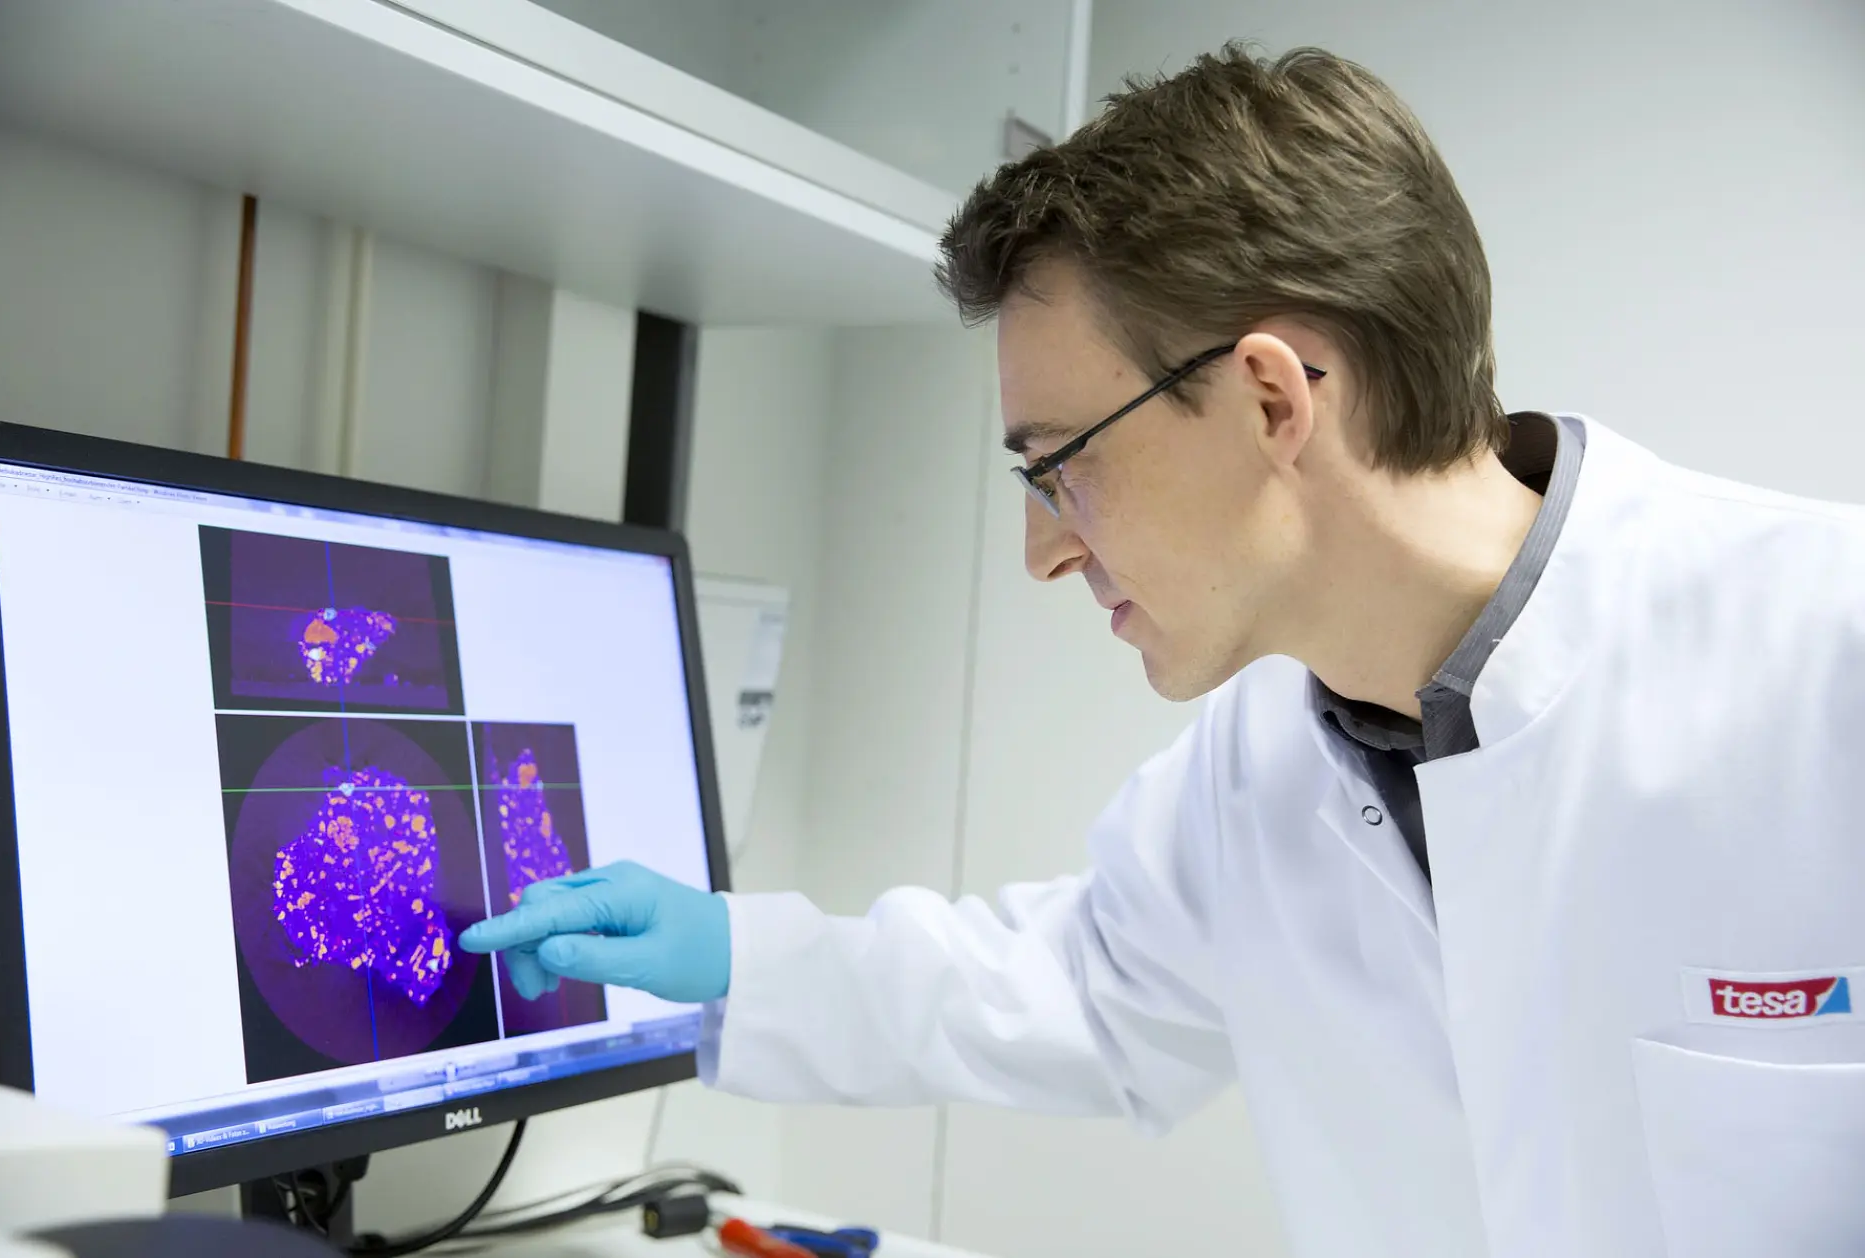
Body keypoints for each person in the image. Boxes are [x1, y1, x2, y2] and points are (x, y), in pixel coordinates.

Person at [460, 42, 1865, 1258]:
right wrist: (727, 954)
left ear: (1268, 400)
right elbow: (1074, 988)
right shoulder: (1264, 767)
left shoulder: (1825, 659)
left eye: (1057, 465)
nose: (1043, 552)